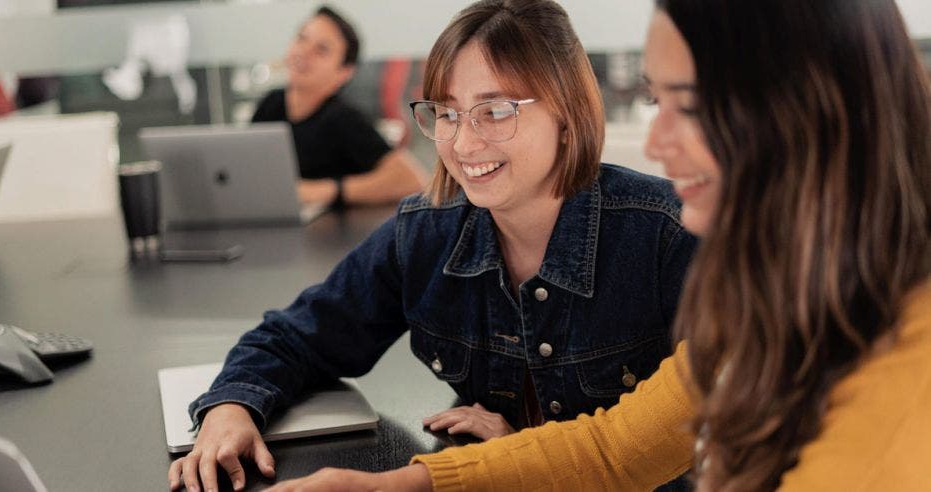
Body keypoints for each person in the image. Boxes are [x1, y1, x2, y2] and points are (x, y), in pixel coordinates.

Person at [261, 0, 931, 489]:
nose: (660, 141)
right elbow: (615, 450)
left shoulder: (895, 408)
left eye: (689, 106)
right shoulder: (783, 301)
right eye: (656, 100)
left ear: (818, 113)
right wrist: (397, 486)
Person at [167, 0, 699, 490]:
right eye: (446, 112)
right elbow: (295, 336)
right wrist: (232, 406)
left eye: (495, 110)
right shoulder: (426, 232)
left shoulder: (668, 237)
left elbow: (713, 444)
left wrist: (520, 447)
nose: (463, 144)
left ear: (566, 113)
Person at [251, 6, 429, 207]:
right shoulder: (270, 104)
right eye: (302, 38)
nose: (304, 52)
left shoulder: (342, 118)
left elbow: (411, 180)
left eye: (322, 50)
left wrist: (326, 191)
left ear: (344, 72)